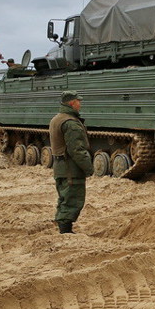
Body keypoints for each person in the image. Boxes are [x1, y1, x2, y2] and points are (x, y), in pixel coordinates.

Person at [49, 91, 93, 234]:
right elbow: (77, 150)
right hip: (70, 169)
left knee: (64, 198)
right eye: (78, 101)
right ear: (72, 103)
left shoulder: (57, 119)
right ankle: (65, 231)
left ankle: (64, 228)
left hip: (60, 167)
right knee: (72, 199)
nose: (80, 104)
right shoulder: (71, 123)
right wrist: (88, 168)